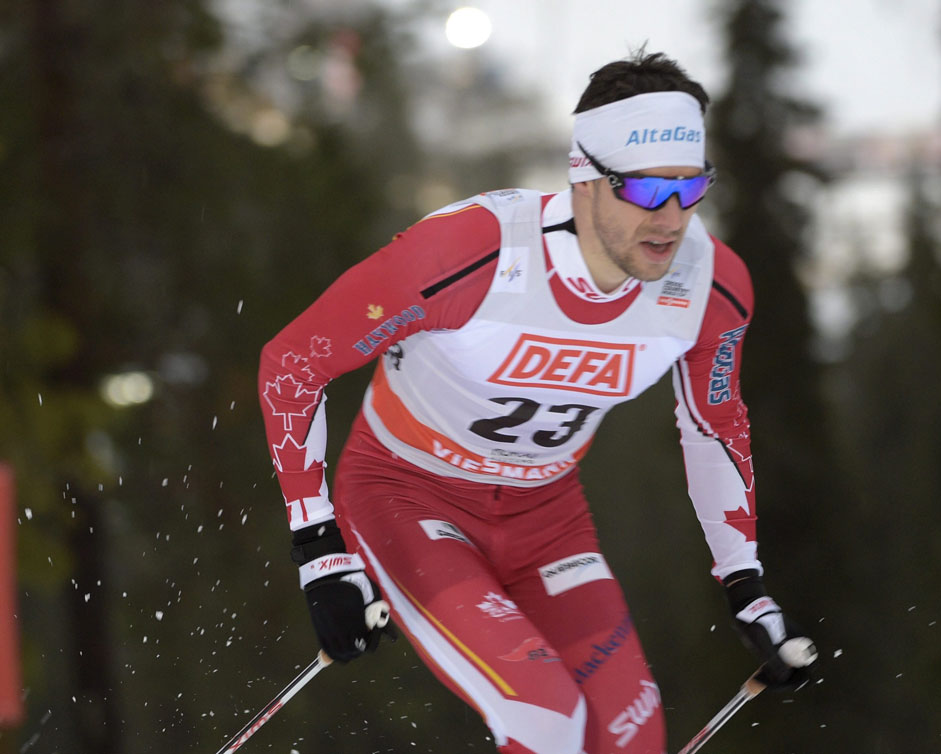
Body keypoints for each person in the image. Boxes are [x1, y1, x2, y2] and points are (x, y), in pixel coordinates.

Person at [257, 50, 813, 754]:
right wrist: (319, 549)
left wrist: (745, 582)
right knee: (547, 721)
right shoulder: (475, 253)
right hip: (409, 498)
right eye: (645, 190)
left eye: (690, 186)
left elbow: (713, 427)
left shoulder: (710, 285)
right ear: (585, 178)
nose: (671, 218)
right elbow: (293, 364)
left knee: (630, 735)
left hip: (548, 518)